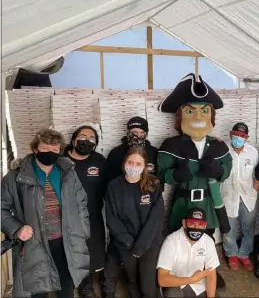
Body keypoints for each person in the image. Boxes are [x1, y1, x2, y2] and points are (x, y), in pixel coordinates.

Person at [157, 73, 233, 289]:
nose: (198, 115)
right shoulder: (171, 145)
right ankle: (176, 275)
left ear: (211, 115)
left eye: (204, 110)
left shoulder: (218, 145)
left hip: (209, 202)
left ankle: (210, 273)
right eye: (191, 110)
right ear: (181, 116)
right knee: (179, 236)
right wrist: (174, 176)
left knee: (207, 236)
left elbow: (228, 168)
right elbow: (162, 173)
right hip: (183, 201)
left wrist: (218, 171)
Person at [1, 128, 90, 298]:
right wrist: (17, 229)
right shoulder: (15, 177)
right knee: (38, 290)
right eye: (45, 149)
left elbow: (81, 203)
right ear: (35, 149)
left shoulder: (68, 173)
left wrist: (83, 232)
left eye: (55, 149)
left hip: (66, 243)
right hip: (35, 244)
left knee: (66, 289)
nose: (50, 153)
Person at [102, 116, 158, 297]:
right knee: (132, 280)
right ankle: (107, 289)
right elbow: (112, 216)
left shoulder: (153, 183)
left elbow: (156, 215)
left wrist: (142, 243)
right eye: (130, 163)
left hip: (148, 241)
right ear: (124, 163)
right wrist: (127, 241)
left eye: (139, 164)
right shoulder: (114, 184)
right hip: (125, 240)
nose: (133, 167)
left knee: (148, 283)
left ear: (145, 166)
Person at [66, 125, 107, 298]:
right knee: (66, 252)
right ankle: (66, 285)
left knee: (90, 254)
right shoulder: (60, 160)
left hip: (92, 217)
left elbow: (110, 187)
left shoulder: (99, 161)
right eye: (83, 136)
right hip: (65, 217)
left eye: (92, 139)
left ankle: (86, 286)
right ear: (74, 140)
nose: (86, 141)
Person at [220, 122, 259, 271]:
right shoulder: (222, 151)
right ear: (231, 134)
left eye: (242, 136)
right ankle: (231, 255)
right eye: (236, 134)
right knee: (227, 228)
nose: (238, 138)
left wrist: (254, 192)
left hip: (248, 197)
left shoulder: (252, 152)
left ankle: (244, 255)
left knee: (248, 227)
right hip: (228, 196)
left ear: (247, 137)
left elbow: (257, 174)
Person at [157, 207, 219, 298]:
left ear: (205, 226)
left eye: (200, 225)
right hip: (176, 287)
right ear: (184, 223)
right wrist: (191, 280)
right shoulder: (171, 241)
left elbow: (211, 275)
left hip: (199, 288)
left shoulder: (208, 241)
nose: (196, 228)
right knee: (173, 294)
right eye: (192, 224)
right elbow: (162, 279)